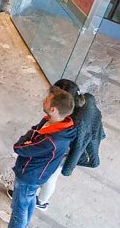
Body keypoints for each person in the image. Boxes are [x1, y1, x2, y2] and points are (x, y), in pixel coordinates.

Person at [0, 87, 75, 228]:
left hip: (30, 175)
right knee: (28, 201)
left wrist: (24, 143)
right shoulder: (55, 123)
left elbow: (19, 147)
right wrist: (27, 140)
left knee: (20, 207)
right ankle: (19, 224)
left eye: (46, 101)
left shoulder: (51, 140)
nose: (43, 101)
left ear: (54, 109)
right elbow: (32, 131)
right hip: (35, 173)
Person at [38, 79, 105, 210]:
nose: (47, 99)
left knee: (51, 176)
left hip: (66, 151)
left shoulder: (75, 124)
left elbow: (77, 148)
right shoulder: (86, 99)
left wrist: (67, 168)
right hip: (88, 140)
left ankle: (41, 202)